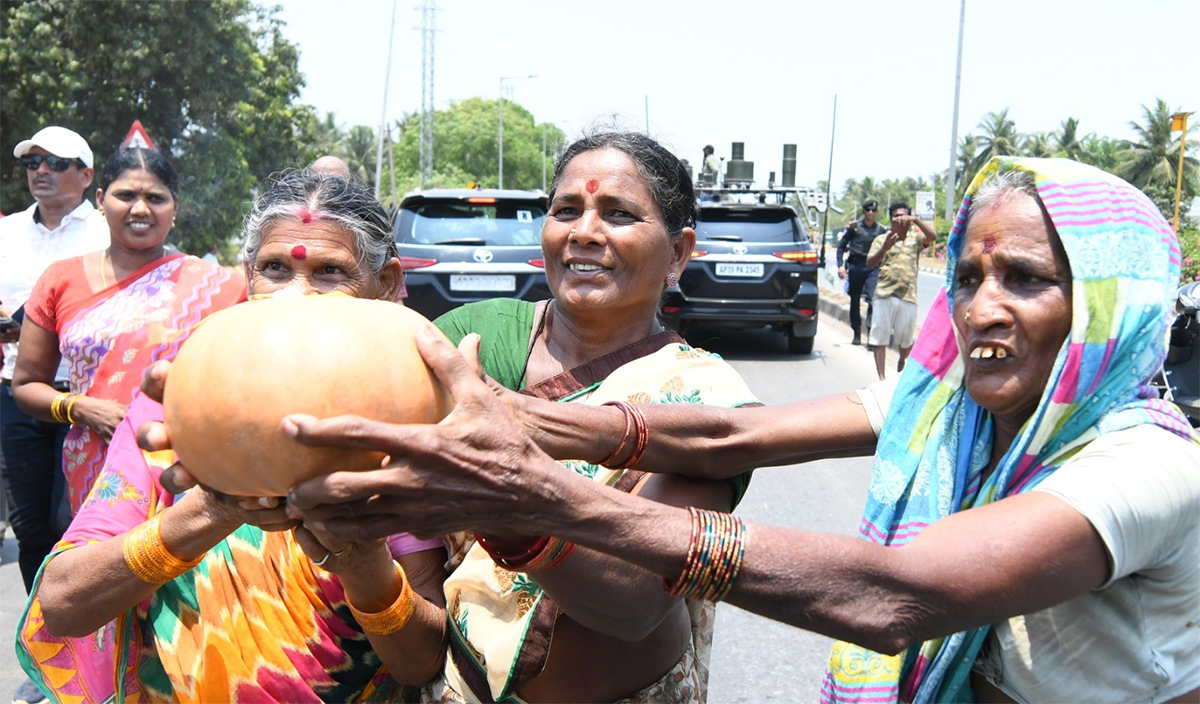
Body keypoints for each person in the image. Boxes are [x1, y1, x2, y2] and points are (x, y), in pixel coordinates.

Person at [281, 157, 1198, 702]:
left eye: (1026, 281)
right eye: (966, 278)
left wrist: (531, 496)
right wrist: (522, 418)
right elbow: (724, 441)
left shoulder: (1144, 462)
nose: (979, 311)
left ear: (1111, 306)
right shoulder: (955, 402)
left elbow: (897, 598)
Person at [144, 133, 762, 703]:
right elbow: (335, 418)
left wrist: (502, 496)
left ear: (678, 253)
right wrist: (219, 422)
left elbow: (632, 603)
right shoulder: (465, 339)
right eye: (567, 210)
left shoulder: (707, 401)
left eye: (619, 214)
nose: (585, 232)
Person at [17, 169, 448, 703]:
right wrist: (213, 510)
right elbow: (63, 605)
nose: (296, 296)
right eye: (274, 269)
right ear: (248, 276)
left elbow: (423, 661)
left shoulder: (407, 421)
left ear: (385, 284)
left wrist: (365, 567)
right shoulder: (179, 406)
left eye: (331, 272)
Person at [11, 147, 246, 515]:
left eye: (155, 198)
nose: (140, 209)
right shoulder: (61, 279)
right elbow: (25, 386)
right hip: (92, 462)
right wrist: (81, 408)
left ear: (174, 208)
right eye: (126, 195)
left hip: (183, 468)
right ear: (102, 200)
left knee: (179, 565)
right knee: (87, 565)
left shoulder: (217, 286)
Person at [0, 125, 110, 704]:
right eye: (32, 161)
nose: (40, 170)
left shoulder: (107, 231)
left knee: (82, 524)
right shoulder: (7, 233)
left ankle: (101, 650)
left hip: (92, 397)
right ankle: (49, 650)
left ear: (87, 175)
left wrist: (34, 319)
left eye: (56, 161)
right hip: (18, 390)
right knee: (31, 526)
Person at [864, 202, 936, 379]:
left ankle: (902, 362)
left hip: (908, 296)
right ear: (891, 218)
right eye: (896, 216)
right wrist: (884, 248)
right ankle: (882, 378)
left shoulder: (915, 240)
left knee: (906, 340)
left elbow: (932, 237)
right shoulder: (882, 239)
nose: (900, 219)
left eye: (904, 215)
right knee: (879, 338)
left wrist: (917, 220)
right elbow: (870, 263)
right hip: (884, 293)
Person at [836, 199, 886, 345]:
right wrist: (840, 266)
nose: (870, 213)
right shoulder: (854, 227)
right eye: (868, 210)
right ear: (864, 211)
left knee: (873, 300)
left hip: (872, 269)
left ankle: (871, 333)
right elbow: (841, 247)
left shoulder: (881, 230)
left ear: (877, 213)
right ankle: (856, 332)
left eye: (873, 210)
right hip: (856, 267)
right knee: (855, 300)